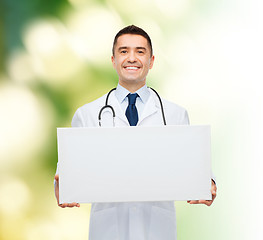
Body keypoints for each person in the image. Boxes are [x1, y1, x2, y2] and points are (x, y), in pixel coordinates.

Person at [54, 25, 217, 240]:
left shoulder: (175, 114)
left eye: (140, 52)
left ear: (151, 61)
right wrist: (61, 185)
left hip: (157, 230)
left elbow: (195, 165)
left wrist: (209, 183)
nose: (132, 58)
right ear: (113, 60)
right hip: (108, 230)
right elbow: (66, 171)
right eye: (124, 51)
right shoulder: (88, 114)